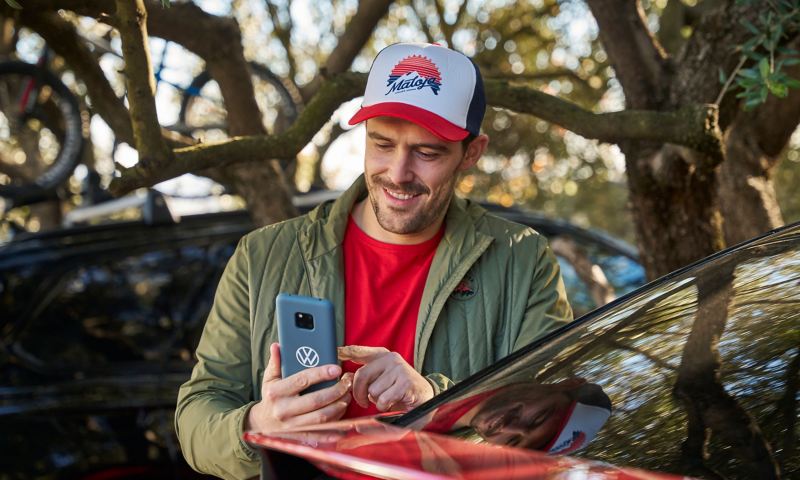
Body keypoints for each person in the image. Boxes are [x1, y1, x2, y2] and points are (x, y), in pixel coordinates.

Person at [175, 42, 572, 479]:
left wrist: (431, 399)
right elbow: (198, 413)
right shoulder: (261, 255)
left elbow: (548, 415)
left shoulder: (522, 257)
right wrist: (260, 425)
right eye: (382, 143)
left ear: (471, 152)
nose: (398, 173)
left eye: (427, 152)